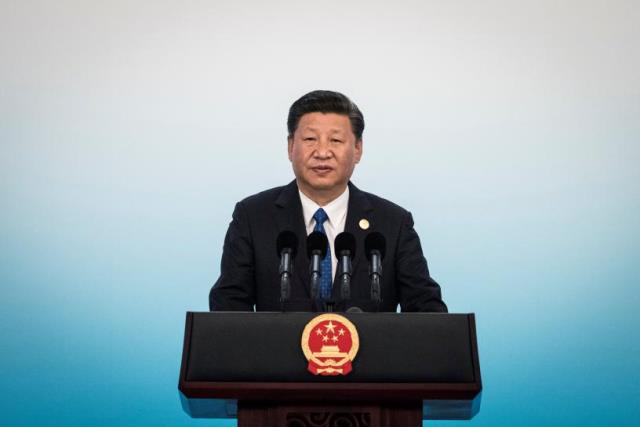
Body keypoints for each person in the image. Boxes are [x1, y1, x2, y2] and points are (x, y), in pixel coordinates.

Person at [209, 90, 447, 313]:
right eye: (310, 138)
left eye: (335, 141)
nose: (322, 152)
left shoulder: (393, 223)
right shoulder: (252, 217)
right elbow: (228, 308)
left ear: (357, 149)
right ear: (291, 147)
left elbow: (427, 310)